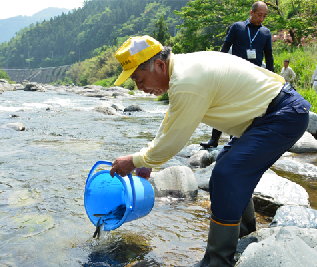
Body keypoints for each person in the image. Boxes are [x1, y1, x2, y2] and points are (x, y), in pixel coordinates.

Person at [110, 35, 310, 267]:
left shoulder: (186, 81)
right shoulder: (181, 70)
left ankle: (217, 261)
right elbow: (171, 120)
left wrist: (133, 161)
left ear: (160, 65)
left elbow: (173, 141)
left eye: (139, 79)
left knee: (228, 174)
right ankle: (245, 237)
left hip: (282, 115)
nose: (140, 88)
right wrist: (148, 158)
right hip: (264, 117)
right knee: (223, 172)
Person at [201, 1, 274, 149]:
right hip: (234, 75)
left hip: (254, 77)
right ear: (251, 12)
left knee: (246, 109)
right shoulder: (237, 27)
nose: (262, 18)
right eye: (259, 15)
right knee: (224, 106)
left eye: (264, 16)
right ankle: (214, 140)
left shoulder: (265, 33)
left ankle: (235, 141)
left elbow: (269, 56)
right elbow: (225, 48)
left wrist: (272, 76)